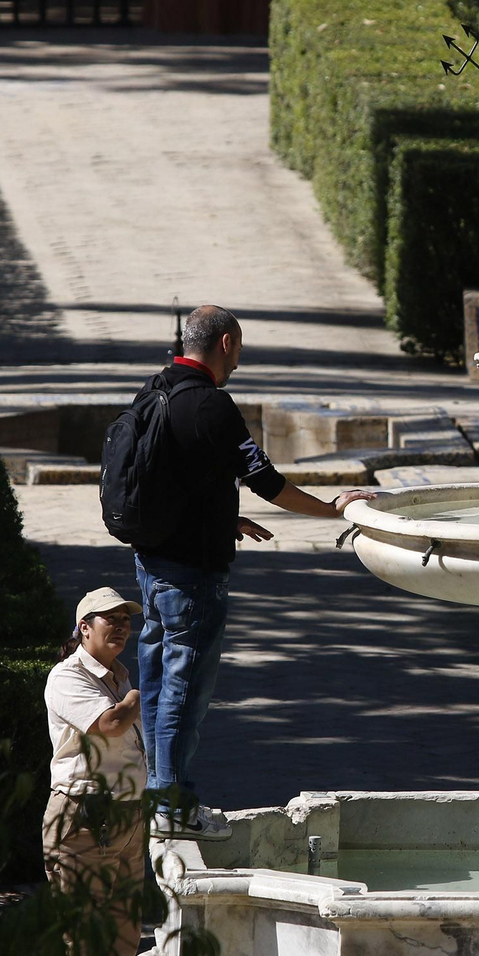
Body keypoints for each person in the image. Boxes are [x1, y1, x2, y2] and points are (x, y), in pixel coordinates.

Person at [133, 305, 376, 841]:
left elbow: (165, 479)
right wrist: (331, 508)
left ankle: (160, 796)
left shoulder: (154, 391)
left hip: (150, 565)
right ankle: (172, 807)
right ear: (224, 343)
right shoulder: (211, 404)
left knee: (156, 685)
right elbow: (267, 481)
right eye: (239, 348)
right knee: (184, 692)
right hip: (193, 577)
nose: (239, 360)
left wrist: (223, 516)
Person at [43, 587, 148, 956]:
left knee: (124, 938)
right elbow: (109, 723)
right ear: (84, 628)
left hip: (127, 818)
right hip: (84, 820)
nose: (121, 626)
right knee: (83, 944)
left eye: (126, 620)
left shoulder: (119, 675)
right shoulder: (67, 676)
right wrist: (139, 697)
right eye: (111, 619)